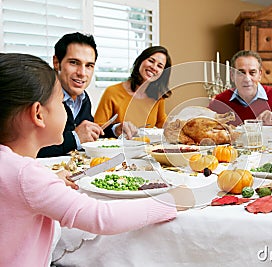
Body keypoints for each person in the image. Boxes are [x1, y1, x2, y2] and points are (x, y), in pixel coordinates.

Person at [0, 53, 195, 267]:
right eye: (60, 102)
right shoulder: (27, 176)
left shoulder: (16, 169)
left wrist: (48, 177)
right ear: (38, 114)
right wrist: (171, 201)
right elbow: (100, 217)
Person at [37, 32, 136, 158]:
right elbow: (27, 148)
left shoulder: (83, 98)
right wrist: (75, 138)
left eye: (89, 65)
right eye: (74, 62)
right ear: (56, 63)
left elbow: (87, 132)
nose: (82, 73)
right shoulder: (41, 96)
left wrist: (114, 130)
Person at [208, 50, 272, 130]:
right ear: (232, 75)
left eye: (252, 72)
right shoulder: (221, 100)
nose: (247, 78)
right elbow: (201, 123)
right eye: (241, 73)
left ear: (260, 75)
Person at [94, 46, 172, 129]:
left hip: (146, 142)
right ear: (140, 61)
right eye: (151, 61)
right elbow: (97, 127)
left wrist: (180, 126)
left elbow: (161, 123)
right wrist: (116, 128)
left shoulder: (158, 96)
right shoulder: (112, 92)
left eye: (159, 66)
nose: (154, 67)